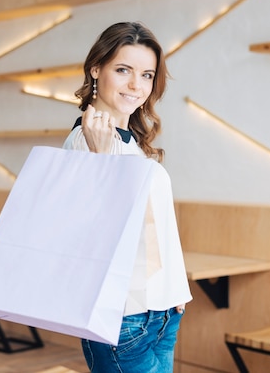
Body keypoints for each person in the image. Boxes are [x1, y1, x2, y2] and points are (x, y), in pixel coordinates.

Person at [62, 22, 192, 373]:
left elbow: (153, 222)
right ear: (96, 69)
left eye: (147, 75)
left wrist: (174, 288)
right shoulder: (84, 140)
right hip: (122, 314)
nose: (137, 86)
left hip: (160, 309)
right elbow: (90, 229)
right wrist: (102, 161)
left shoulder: (128, 140)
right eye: (123, 70)